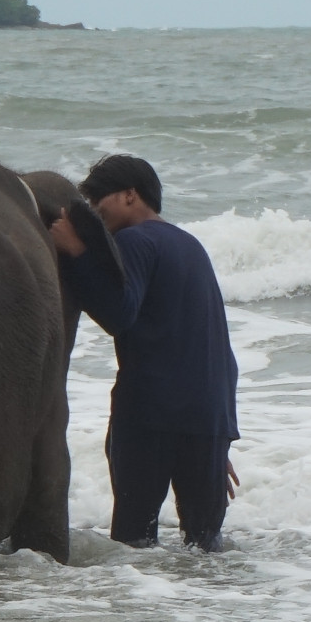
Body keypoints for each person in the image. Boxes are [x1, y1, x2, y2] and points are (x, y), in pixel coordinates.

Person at [49, 154, 240, 551]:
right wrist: (217, 439)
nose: (97, 214)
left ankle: (140, 613)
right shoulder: (190, 245)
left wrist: (75, 252)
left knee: (134, 543)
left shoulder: (134, 241)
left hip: (151, 413)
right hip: (207, 416)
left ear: (130, 195)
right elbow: (217, 343)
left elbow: (120, 314)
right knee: (205, 546)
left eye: (101, 202)